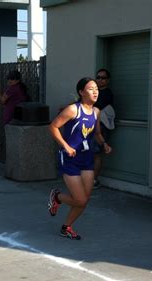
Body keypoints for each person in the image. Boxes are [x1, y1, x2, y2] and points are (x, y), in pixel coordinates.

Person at [48, 77, 112, 240]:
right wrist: (66, 146)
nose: (95, 91)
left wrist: (104, 144)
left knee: (84, 200)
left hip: (86, 159)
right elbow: (53, 126)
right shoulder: (73, 109)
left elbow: (96, 133)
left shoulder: (97, 112)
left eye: (96, 88)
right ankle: (57, 197)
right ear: (81, 92)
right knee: (80, 199)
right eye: (91, 88)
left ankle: (66, 227)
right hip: (70, 158)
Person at [91, 68, 115, 189]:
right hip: (88, 127)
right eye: (98, 77)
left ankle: (94, 181)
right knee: (89, 153)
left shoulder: (107, 94)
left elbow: (95, 107)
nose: (100, 80)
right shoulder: (94, 92)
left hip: (100, 128)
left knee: (96, 154)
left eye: (103, 78)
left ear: (108, 80)